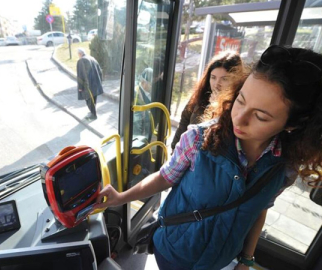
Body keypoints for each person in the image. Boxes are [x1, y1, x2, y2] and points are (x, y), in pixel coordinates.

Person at [94, 45, 322, 270]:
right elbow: (165, 177)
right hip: (173, 252)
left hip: (220, 260)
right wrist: (120, 197)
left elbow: (260, 209)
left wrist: (246, 259)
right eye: (240, 100)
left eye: (260, 116)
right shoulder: (198, 138)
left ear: (293, 125)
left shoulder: (286, 168)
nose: (238, 119)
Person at [171, 51, 243, 152]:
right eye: (213, 77)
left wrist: (217, 107)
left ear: (236, 80)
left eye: (224, 79)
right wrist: (174, 150)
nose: (217, 83)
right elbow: (183, 125)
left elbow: (220, 141)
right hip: (184, 158)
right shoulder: (200, 97)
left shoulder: (239, 107)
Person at [76, 48, 103, 120]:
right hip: (96, 84)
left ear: (80, 54)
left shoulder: (81, 60)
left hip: (88, 85)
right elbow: (100, 71)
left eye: (78, 54)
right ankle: (92, 112)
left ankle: (93, 115)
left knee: (88, 100)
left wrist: (80, 87)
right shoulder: (92, 58)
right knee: (94, 99)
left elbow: (80, 75)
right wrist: (100, 82)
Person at [133, 67, 153, 139]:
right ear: (143, 82)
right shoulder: (136, 94)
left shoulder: (149, 93)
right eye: (151, 84)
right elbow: (136, 121)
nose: (153, 86)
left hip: (148, 129)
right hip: (141, 134)